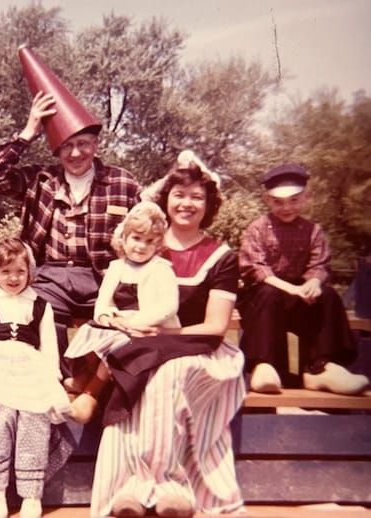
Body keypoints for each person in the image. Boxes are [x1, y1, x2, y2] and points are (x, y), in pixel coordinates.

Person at [90, 152, 245, 517]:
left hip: (200, 351)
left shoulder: (221, 255)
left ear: (209, 205)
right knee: (137, 367)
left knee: (163, 373)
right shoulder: (144, 244)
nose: (187, 203)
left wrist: (159, 338)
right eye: (180, 194)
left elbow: (215, 327)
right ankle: (126, 489)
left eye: (197, 196)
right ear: (166, 198)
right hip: (142, 345)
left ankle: (167, 487)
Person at [0, 91, 140, 369]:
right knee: (40, 316)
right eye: (66, 146)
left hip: (102, 276)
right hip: (50, 276)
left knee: (123, 325)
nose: (76, 153)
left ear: (96, 144)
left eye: (83, 144)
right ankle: (60, 384)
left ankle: (94, 389)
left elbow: (145, 232)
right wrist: (28, 132)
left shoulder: (121, 181)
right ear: (56, 150)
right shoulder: (41, 179)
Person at [0, 238, 71, 518]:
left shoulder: (40, 306)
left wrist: (52, 379)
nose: (13, 278)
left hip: (29, 373)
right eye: (6, 271)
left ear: (30, 271)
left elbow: (49, 347)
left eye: (20, 271)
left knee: (34, 421)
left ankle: (31, 494)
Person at [238, 164, 368, 395]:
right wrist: (290, 289)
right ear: (268, 200)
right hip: (264, 295)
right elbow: (255, 268)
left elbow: (319, 264)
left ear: (306, 198)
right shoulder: (257, 228)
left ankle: (321, 367)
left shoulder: (313, 230)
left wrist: (313, 283)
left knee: (327, 296)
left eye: (294, 200)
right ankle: (262, 366)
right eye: (278, 201)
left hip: (298, 296)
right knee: (268, 295)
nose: (286, 207)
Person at [63, 200, 179, 424]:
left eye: (149, 242)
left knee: (117, 342)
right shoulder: (117, 268)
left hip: (150, 330)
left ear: (158, 245)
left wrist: (134, 322)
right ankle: (85, 374)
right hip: (120, 323)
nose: (141, 246)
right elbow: (103, 303)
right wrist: (107, 317)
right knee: (90, 330)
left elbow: (168, 307)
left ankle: (91, 394)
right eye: (136, 238)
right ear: (124, 239)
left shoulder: (161, 269)